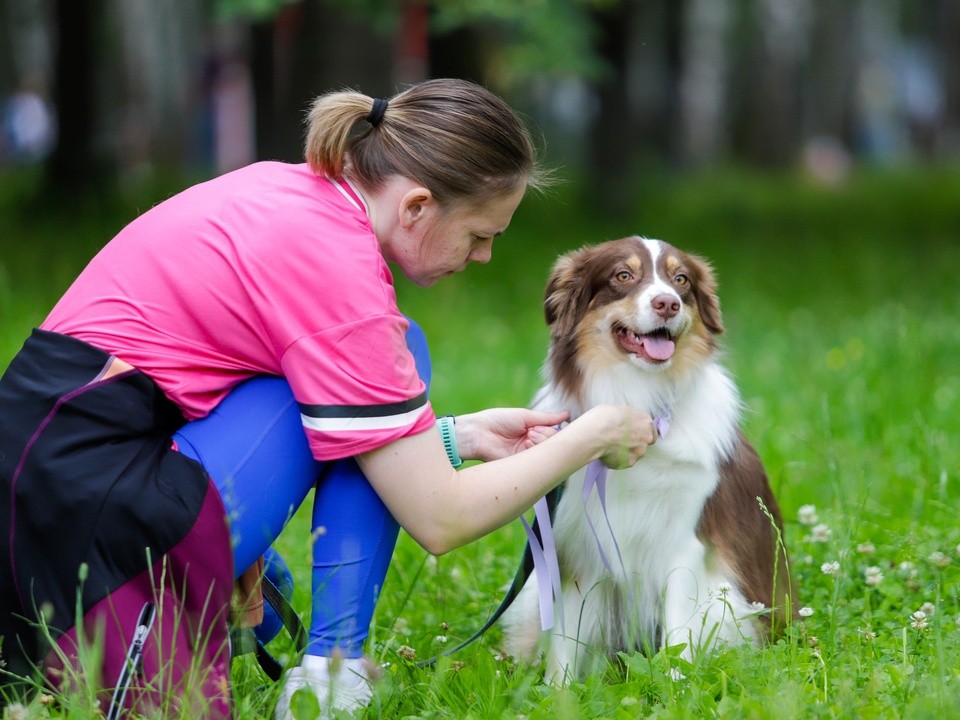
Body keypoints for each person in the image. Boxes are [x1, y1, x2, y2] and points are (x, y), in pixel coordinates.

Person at [0, 78, 656, 718]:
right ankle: (331, 681)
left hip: (41, 478)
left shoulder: (291, 190)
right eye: (480, 234)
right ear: (417, 207)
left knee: (384, 374)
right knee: (401, 354)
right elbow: (440, 519)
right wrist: (591, 437)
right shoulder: (341, 282)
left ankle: (325, 671)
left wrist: (452, 438)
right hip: (84, 513)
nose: (482, 256)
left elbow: (309, 407)